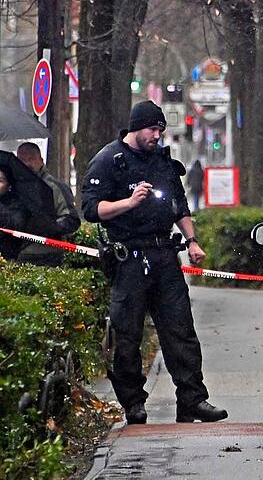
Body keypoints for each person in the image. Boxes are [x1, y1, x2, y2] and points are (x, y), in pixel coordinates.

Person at [81, 100, 227, 425]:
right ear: (136, 127)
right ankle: (133, 403)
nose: (157, 135)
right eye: (152, 129)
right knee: (127, 335)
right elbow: (90, 209)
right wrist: (128, 203)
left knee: (181, 330)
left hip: (164, 256)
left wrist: (192, 240)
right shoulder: (109, 160)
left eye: (160, 130)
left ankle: (193, 400)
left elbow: (179, 205)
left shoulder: (162, 161)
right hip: (129, 258)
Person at [16, 142, 81, 266]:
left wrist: (46, 227)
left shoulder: (56, 188)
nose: (27, 164)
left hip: (46, 257)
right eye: (22, 160)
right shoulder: (9, 187)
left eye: (31, 159)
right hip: (12, 257)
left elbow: (71, 220)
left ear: (41, 161)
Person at [0, 165, 30, 260]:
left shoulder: (17, 204)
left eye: (0, 181)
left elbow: (17, 226)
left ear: (9, 186)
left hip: (7, 258)